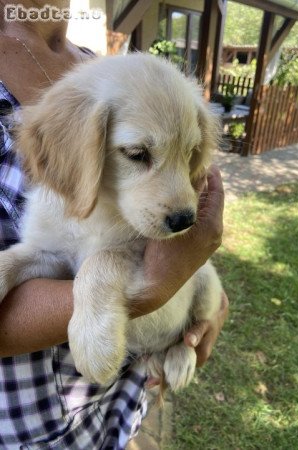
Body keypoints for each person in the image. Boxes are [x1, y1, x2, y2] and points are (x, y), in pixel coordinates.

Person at [0, 1, 228, 448]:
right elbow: (41, 255)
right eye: (138, 155)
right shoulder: (86, 105)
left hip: (124, 408)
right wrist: (146, 287)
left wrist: (211, 309)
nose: (183, 204)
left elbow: (187, 252)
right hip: (34, 430)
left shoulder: (98, 66)